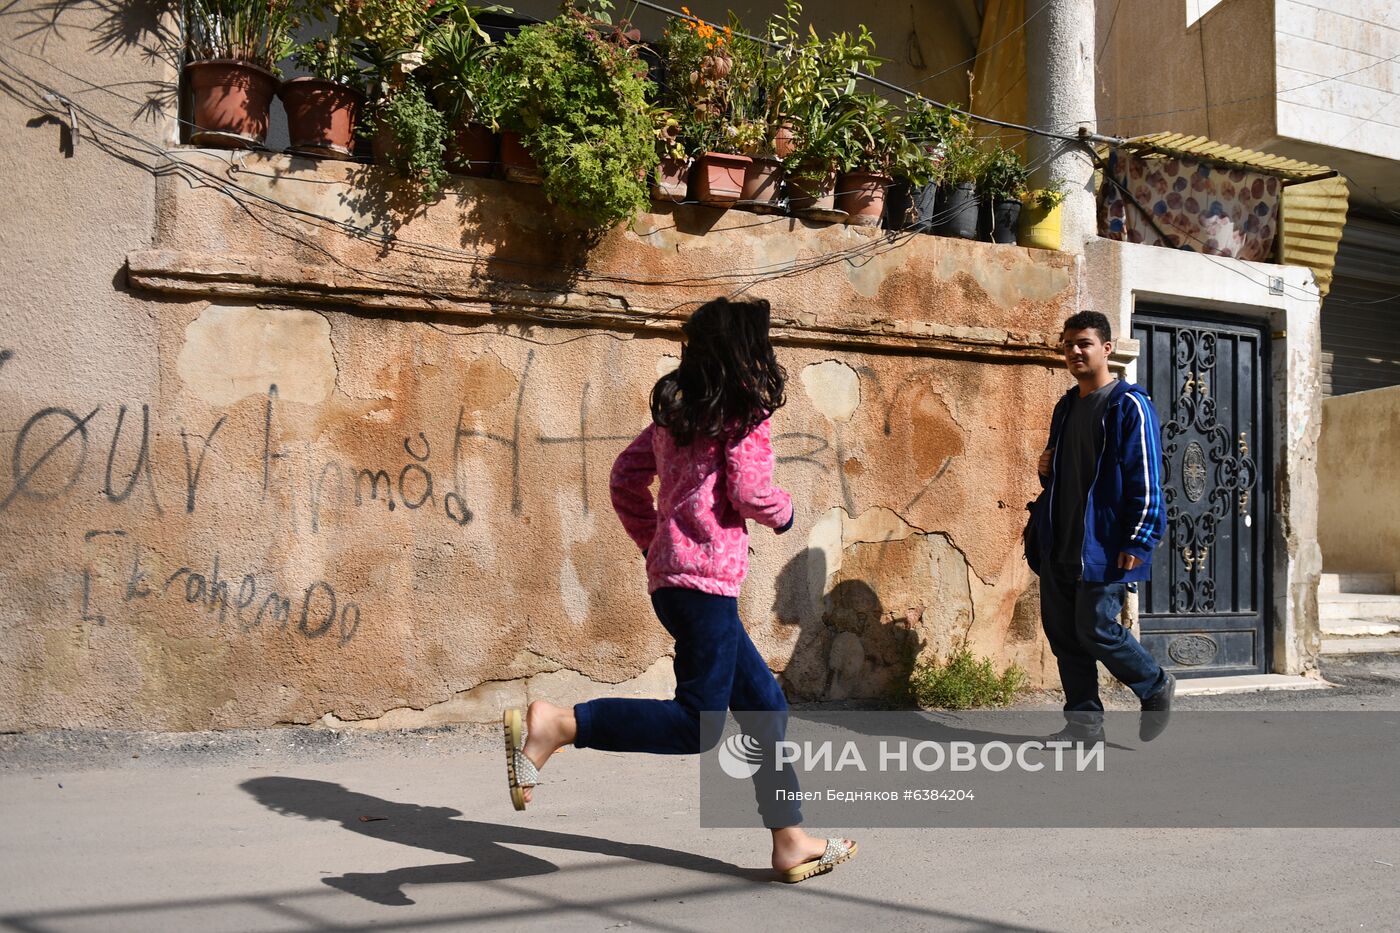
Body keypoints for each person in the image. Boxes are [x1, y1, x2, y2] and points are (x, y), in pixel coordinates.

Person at [502, 297, 857, 883]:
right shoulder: (743, 414)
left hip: (674, 582)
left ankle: (790, 840)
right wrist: (785, 512)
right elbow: (749, 491)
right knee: (698, 724)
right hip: (706, 587)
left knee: (764, 708)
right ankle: (560, 724)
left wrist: (656, 545)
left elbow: (624, 478)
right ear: (746, 352)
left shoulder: (678, 414)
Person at [1030, 310, 1175, 744]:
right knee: (1064, 636)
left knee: (1096, 628)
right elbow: (1063, 475)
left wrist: (1140, 538)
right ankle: (1083, 727)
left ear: (1106, 349)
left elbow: (1146, 476)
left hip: (1104, 544)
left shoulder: (1129, 404)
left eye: (1084, 343)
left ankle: (1154, 684)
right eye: (1068, 344)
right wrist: (1045, 469)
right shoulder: (1065, 406)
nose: (1074, 351)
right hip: (1059, 540)